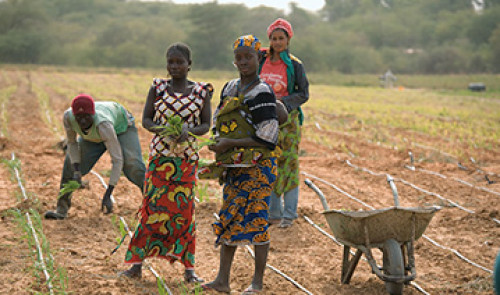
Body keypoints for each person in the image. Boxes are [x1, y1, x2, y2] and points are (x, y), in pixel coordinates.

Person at [119, 42, 212, 283]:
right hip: (160, 159)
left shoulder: (202, 91)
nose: (175, 66)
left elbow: (205, 126)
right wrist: (165, 130)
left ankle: (189, 269)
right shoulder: (158, 88)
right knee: (151, 210)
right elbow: (146, 120)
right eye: (171, 62)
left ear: (189, 65)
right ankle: (136, 264)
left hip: (186, 161)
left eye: (180, 62)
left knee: (185, 213)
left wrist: (187, 131)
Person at [201, 35, 280, 295]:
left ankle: (257, 283)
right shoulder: (230, 87)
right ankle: (222, 280)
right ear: (234, 59)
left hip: (258, 168)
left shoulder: (262, 91)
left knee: (257, 221)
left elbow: (268, 137)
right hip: (235, 168)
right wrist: (218, 144)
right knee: (230, 217)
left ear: (260, 58)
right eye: (239, 57)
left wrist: (230, 144)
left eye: (249, 56)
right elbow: (218, 120)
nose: (243, 61)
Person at [44, 95, 146, 220]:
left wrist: (108, 193)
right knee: (70, 164)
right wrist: (76, 170)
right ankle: (61, 208)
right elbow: (72, 143)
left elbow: (117, 159)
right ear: (74, 115)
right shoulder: (68, 117)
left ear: (92, 114)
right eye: (79, 117)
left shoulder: (103, 124)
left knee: (133, 165)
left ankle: (152, 204)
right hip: (93, 135)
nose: (82, 121)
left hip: (121, 128)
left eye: (87, 116)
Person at [259, 18, 309, 228]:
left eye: (281, 38)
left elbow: (303, 94)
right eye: (274, 38)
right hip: (264, 120)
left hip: (288, 122)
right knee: (269, 162)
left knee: (288, 165)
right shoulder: (261, 59)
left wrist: (282, 104)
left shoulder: (295, 65)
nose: (278, 42)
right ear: (269, 39)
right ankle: (273, 213)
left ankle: (289, 214)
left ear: (288, 40)